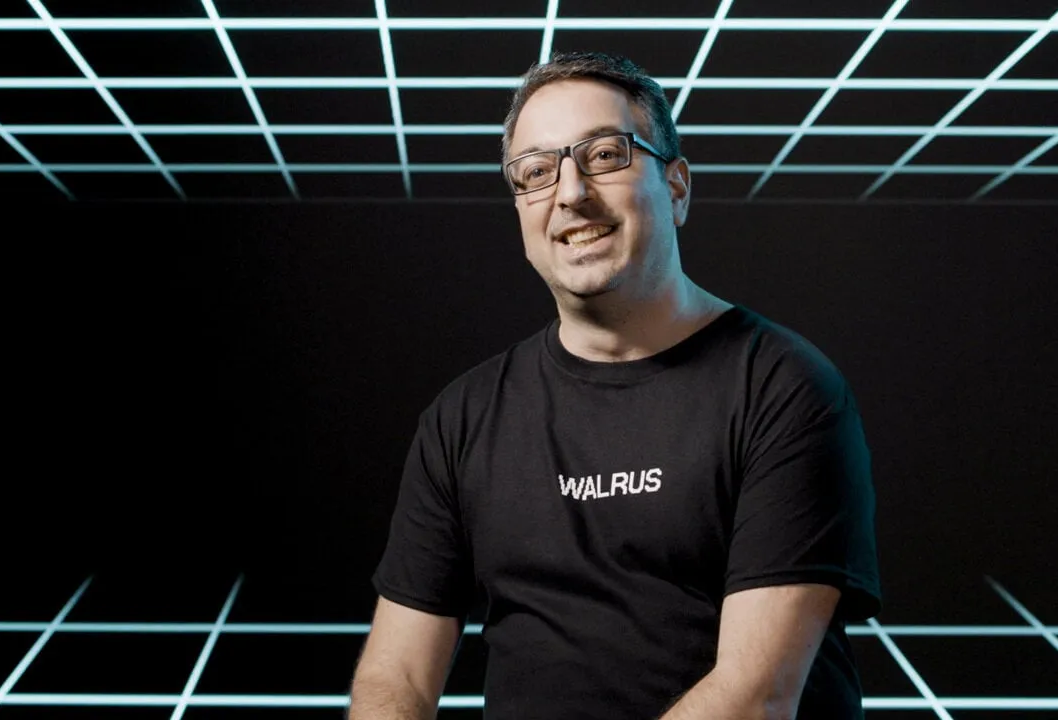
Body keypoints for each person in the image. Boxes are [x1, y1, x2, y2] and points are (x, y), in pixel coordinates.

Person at [348, 51, 881, 719]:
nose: (571, 193)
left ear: (678, 187)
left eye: (605, 155)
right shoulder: (463, 418)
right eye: (537, 172)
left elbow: (756, 698)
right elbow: (395, 678)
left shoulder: (785, 389)